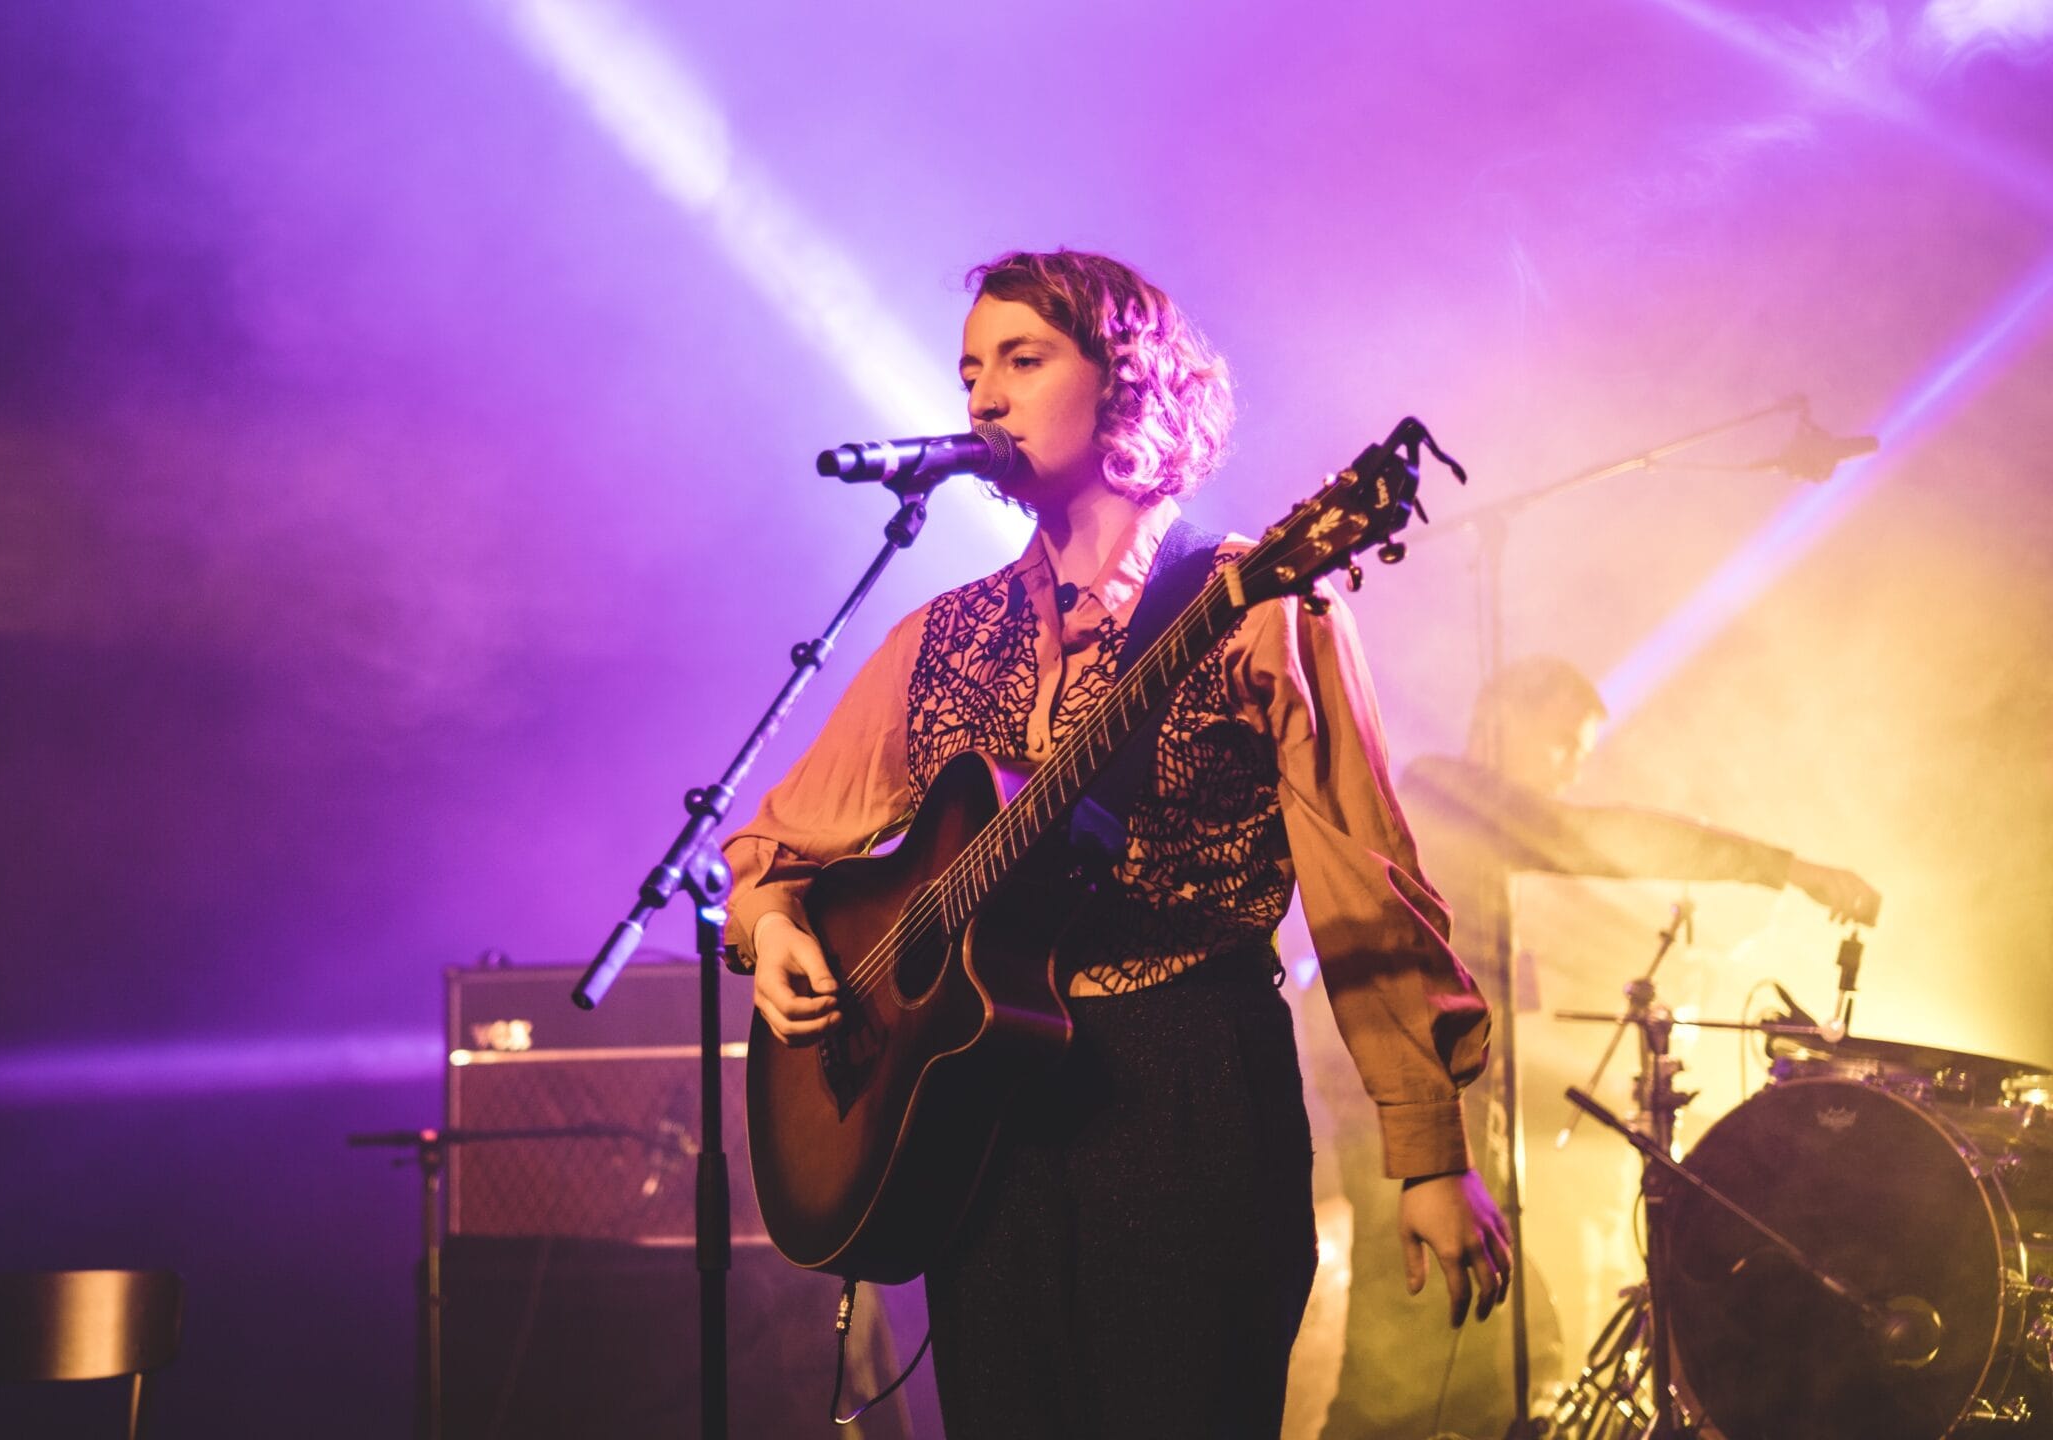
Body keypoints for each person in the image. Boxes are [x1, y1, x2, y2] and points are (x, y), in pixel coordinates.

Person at [724, 249, 1512, 1439]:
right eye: (969, 371)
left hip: (1187, 1087)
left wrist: (1429, 1152)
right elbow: (772, 847)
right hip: (979, 1114)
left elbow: (1368, 890)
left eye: (1022, 360)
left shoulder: (1258, 602)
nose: (983, 397)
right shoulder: (940, 637)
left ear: (1128, 384)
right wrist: (773, 924)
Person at [1315, 654, 1881, 1440]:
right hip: (1404, 1111)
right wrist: (1782, 868)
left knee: (1483, 1360)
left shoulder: (1481, 847)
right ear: (1500, 720)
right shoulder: (1442, 787)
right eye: (1561, 742)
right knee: (1408, 1366)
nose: (1572, 766)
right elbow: (1596, 838)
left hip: (1442, 1110)